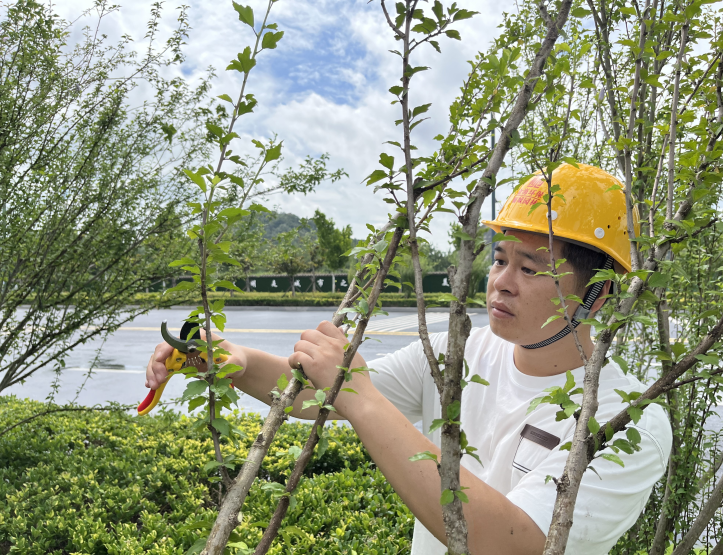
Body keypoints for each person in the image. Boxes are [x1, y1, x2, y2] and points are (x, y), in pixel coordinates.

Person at [146, 163, 672, 555]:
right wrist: (226, 357)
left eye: (531, 268)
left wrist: (359, 395)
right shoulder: (461, 353)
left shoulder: (627, 424)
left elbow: (512, 543)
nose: (501, 283)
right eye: (499, 259)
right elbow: (318, 397)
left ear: (597, 294)